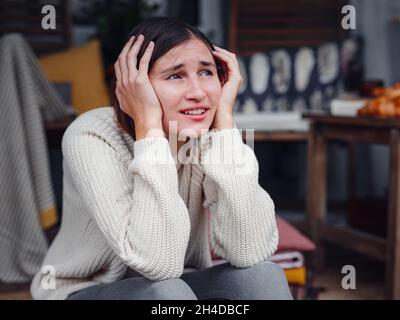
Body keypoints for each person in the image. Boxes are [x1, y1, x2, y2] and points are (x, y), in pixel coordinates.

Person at [30, 17, 293, 300]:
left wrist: (225, 123)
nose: (198, 93)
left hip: (178, 289)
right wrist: (149, 129)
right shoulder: (91, 136)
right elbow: (158, 265)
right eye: (175, 76)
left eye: (206, 73)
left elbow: (250, 251)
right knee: (167, 292)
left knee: (263, 275)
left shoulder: (206, 137)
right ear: (134, 84)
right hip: (85, 291)